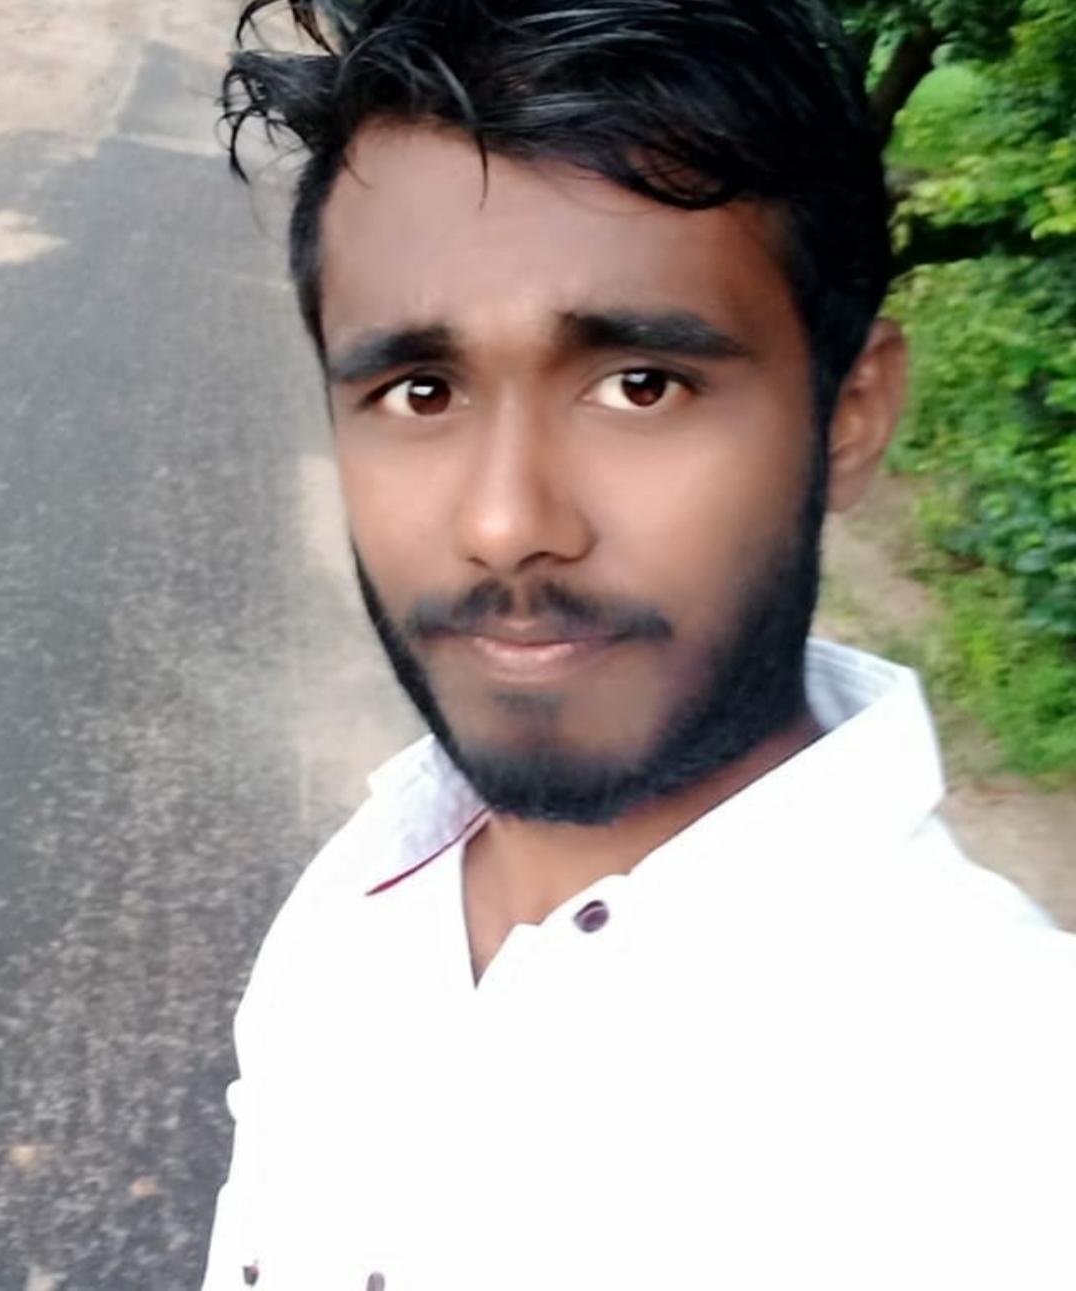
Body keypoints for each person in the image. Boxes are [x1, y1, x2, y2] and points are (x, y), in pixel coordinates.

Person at [204, 2, 1076, 1287]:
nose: (506, 525)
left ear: (849, 413)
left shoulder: (1012, 1121)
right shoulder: (361, 894)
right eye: (420, 391)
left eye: (640, 384)